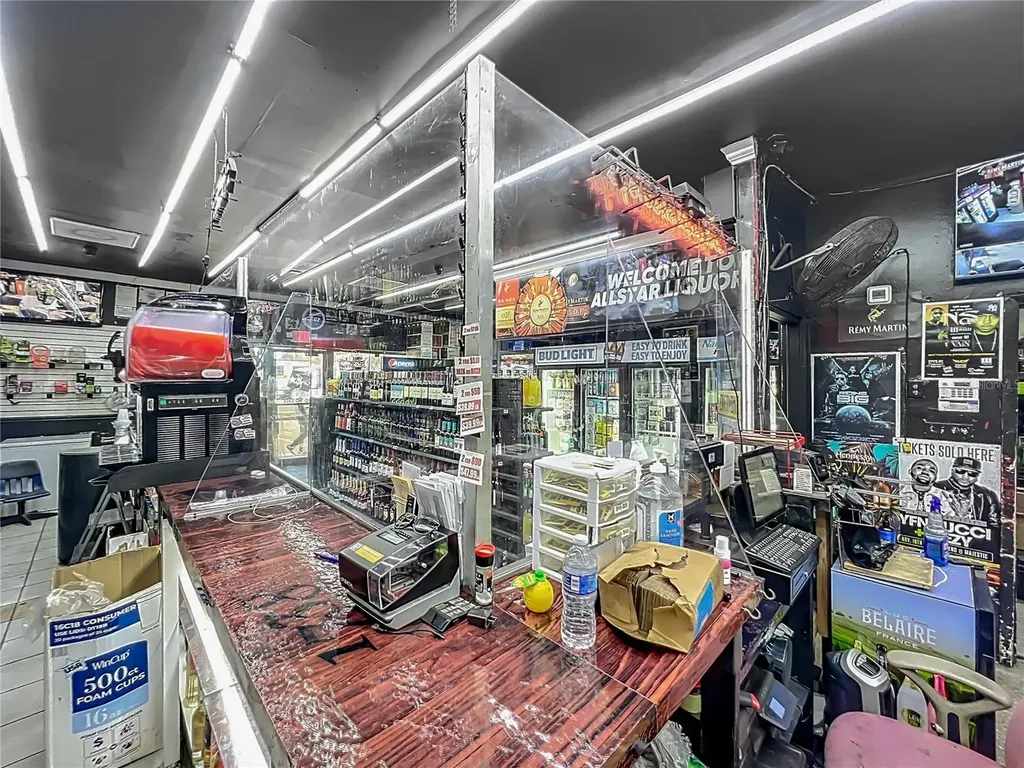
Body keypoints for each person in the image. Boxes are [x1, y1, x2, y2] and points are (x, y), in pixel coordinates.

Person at [933, 456, 1000, 523]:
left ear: (978, 476)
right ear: (952, 470)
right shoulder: (936, 487)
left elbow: (995, 524)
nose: (965, 477)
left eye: (972, 474)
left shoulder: (988, 495)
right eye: (960, 471)